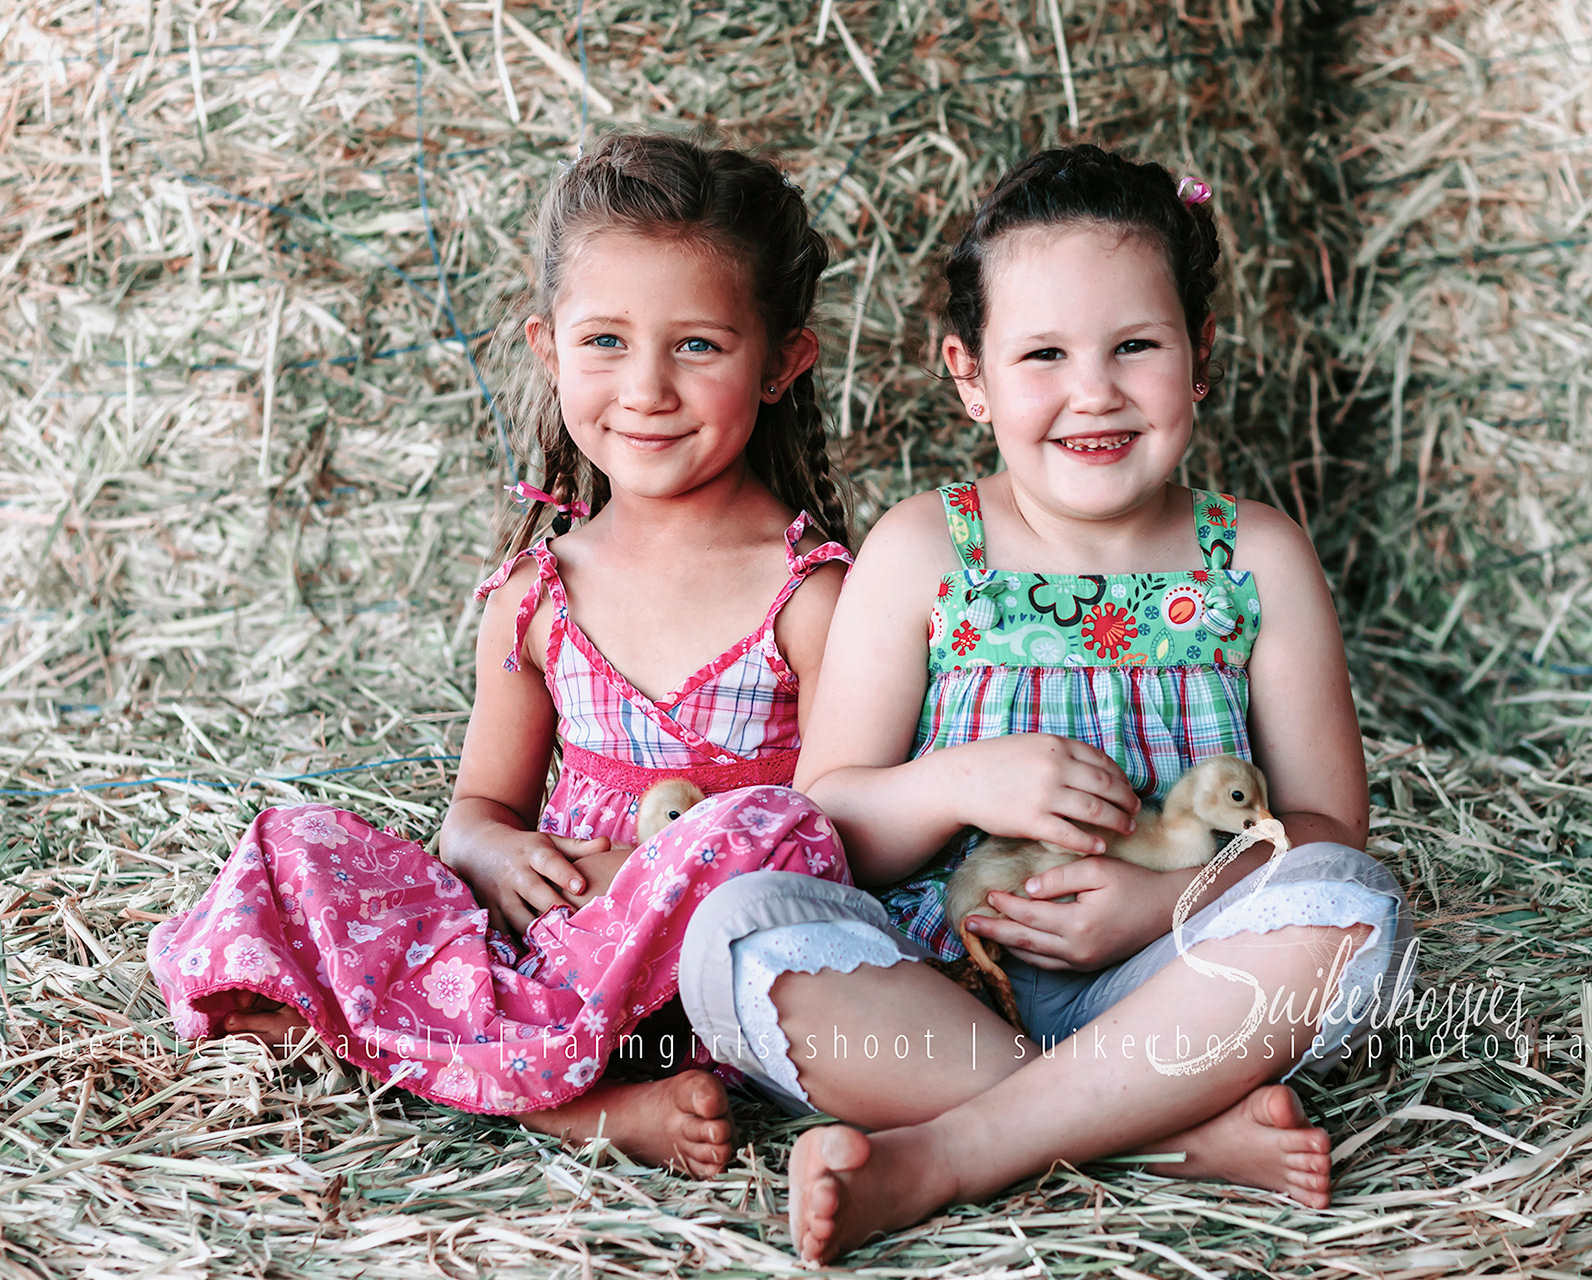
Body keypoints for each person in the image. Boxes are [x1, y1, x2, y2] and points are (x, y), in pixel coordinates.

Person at [676, 144, 1414, 1261]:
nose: (1095, 391)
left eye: (1136, 346)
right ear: (970, 374)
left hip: (1176, 981)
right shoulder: (926, 550)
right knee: (733, 931)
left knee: (1350, 905)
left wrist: (1164, 902)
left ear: (1201, 353)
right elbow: (825, 825)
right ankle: (1163, 1135)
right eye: (1044, 354)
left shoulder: (1257, 558)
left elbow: (1319, 827)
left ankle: (952, 1152)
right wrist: (959, 782)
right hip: (939, 987)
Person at [147, 133, 853, 1177]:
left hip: (703, 973)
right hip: (551, 942)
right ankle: (576, 1103)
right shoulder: (537, 596)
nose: (647, 387)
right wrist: (497, 857)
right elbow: (478, 808)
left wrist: (657, 876)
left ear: (783, 361)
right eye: (605, 340)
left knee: (764, 829)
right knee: (292, 844)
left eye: (698, 346)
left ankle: (522, 1083)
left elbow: (837, 833)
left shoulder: (810, 594)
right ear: (549, 349)